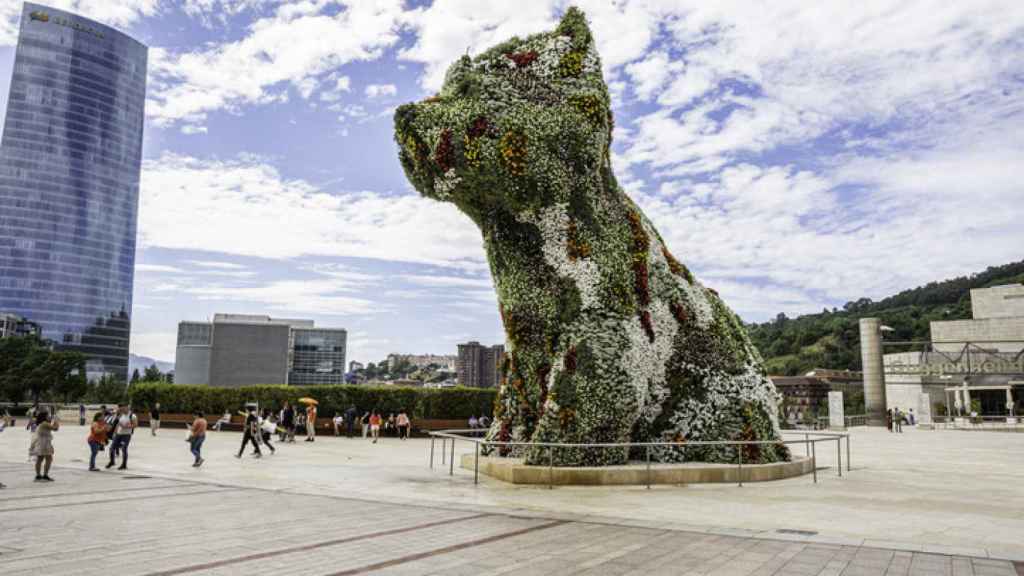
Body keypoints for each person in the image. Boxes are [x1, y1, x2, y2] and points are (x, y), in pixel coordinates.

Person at [30, 410, 59, 481]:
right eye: (48, 415)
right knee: (48, 458)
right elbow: (55, 428)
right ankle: (44, 475)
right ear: (44, 417)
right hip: (44, 443)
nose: (49, 416)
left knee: (40, 459)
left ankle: (39, 476)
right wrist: (56, 421)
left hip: (42, 442)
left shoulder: (43, 423)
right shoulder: (44, 423)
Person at [106, 405, 137, 470]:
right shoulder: (121, 415)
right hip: (118, 434)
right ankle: (112, 461)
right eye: (121, 409)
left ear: (127, 408)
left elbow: (135, 425)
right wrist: (114, 433)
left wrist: (127, 426)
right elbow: (118, 424)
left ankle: (124, 464)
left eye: (123, 409)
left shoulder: (132, 416)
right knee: (111, 448)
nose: (122, 410)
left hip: (126, 435)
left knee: (124, 449)